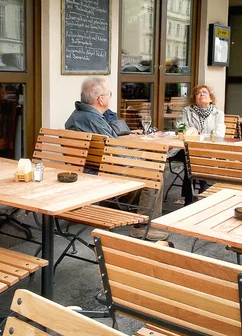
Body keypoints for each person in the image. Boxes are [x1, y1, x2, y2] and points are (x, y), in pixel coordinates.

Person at [65, 77, 167, 240]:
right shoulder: (93, 119)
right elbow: (117, 153)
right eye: (109, 94)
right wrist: (140, 160)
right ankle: (142, 227)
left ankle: (118, 209)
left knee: (146, 168)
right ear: (100, 100)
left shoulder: (77, 116)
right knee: (154, 173)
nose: (110, 97)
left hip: (90, 167)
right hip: (101, 172)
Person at [180, 85, 226, 204]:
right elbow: (185, 129)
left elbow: (219, 134)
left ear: (211, 98)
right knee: (189, 157)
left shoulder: (218, 114)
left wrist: (198, 135)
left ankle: (189, 198)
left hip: (210, 150)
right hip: (188, 148)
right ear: (194, 98)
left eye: (205, 92)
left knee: (190, 160)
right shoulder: (187, 111)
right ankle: (203, 186)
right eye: (198, 93)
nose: (201, 94)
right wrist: (204, 135)